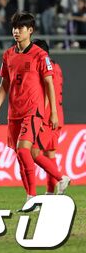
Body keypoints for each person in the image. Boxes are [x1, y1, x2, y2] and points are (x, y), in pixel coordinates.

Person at [0, 13, 65, 210]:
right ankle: (56, 181)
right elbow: (4, 83)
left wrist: (54, 113)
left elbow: (49, 84)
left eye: (20, 28)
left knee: (25, 150)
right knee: (21, 155)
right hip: (14, 111)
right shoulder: (7, 55)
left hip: (33, 110)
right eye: (14, 27)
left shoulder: (41, 55)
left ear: (30, 30)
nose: (16, 31)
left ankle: (32, 198)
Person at [32, 39, 70, 194]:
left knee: (33, 153)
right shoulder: (57, 66)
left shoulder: (45, 68)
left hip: (48, 117)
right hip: (58, 116)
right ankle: (49, 193)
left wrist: (41, 116)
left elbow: (48, 92)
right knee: (50, 154)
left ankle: (61, 178)